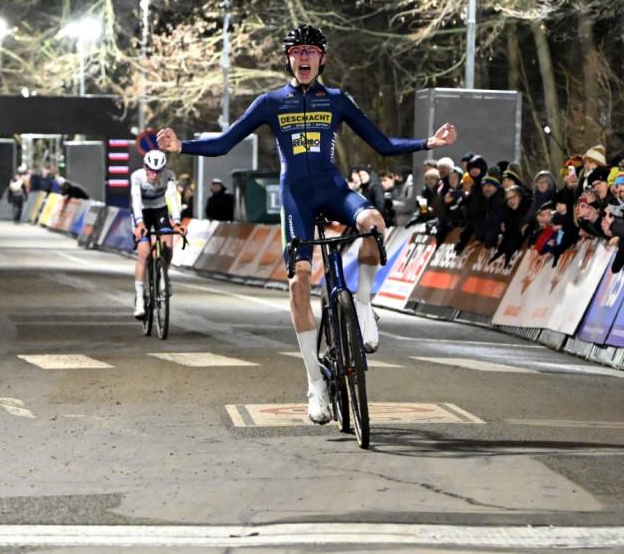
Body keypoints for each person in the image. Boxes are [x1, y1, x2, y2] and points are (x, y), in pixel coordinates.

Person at [155, 23, 457, 425]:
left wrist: (427, 144)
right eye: (296, 51)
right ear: (288, 59)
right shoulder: (269, 102)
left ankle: (364, 304)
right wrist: (182, 147)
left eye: (310, 51)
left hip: (333, 188)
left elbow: (381, 144)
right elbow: (225, 143)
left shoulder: (336, 99)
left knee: (373, 222)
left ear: (321, 59)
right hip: (296, 197)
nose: (303, 57)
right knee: (299, 282)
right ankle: (315, 382)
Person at [130, 150, 186, 318]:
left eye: (158, 170)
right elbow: (136, 201)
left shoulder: (169, 176)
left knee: (168, 246)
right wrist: (140, 223)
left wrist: (176, 221)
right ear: (145, 167)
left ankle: (163, 276)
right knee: (144, 254)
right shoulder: (137, 177)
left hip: (160, 210)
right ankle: (140, 300)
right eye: (151, 170)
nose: (155, 174)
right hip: (143, 212)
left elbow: (173, 198)